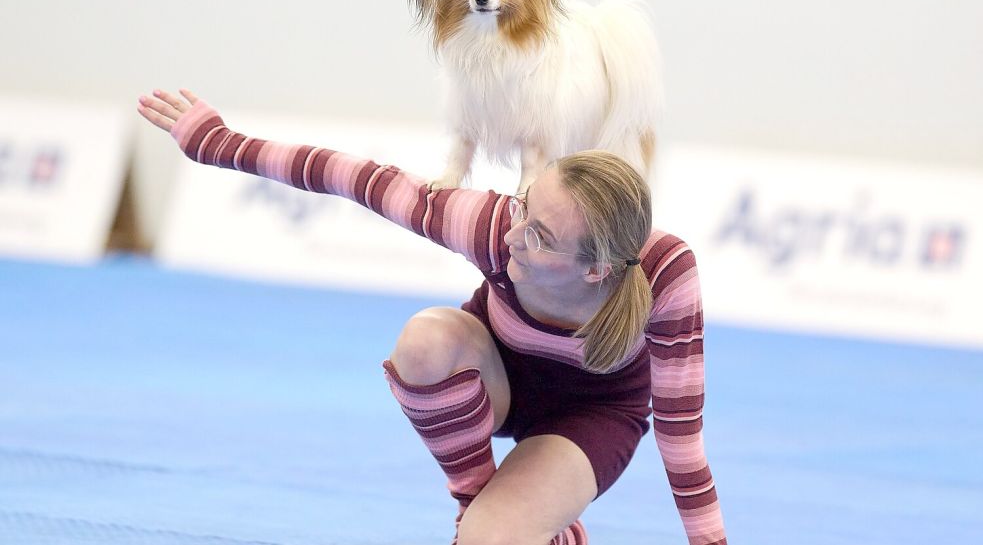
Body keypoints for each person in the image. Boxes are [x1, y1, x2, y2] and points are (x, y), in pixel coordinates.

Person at [137, 89, 728, 545]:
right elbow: (356, 178)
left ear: (596, 268)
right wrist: (218, 142)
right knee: (424, 339)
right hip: (491, 380)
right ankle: (475, 500)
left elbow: (682, 438)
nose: (514, 236)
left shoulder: (665, 276)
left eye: (541, 236)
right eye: (524, 206)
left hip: (591, 418)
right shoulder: (493, 227)